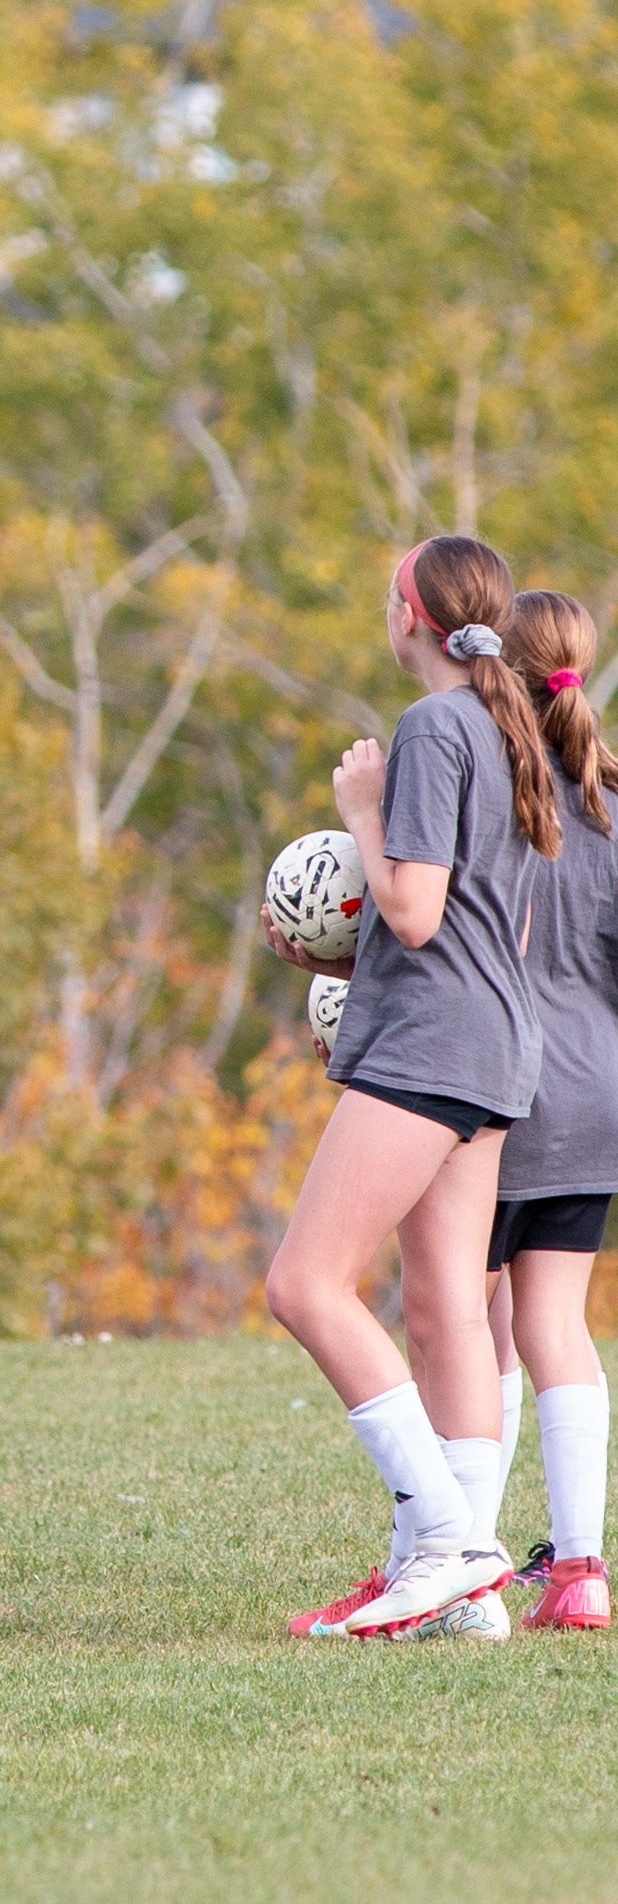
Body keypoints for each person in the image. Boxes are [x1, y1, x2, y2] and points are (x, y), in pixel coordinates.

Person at [264, 536, 557, 1641]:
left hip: (429, 1046)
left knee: (303, 1284)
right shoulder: (505, 720)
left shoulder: (432, 727)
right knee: (443, 1314)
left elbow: (416, 913)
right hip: (491, 1044)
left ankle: (450, 1546)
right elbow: (476, 926)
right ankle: (460, 1597)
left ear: (408, 616)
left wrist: (357, 810)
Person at [479, 590, 613, 1631]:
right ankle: (578, 1572)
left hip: (491, 1086)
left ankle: (465, 1564)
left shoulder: (488, 791)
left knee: (475, 1329)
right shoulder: (610, 801)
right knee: (556, 1327)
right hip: (592, 1093)